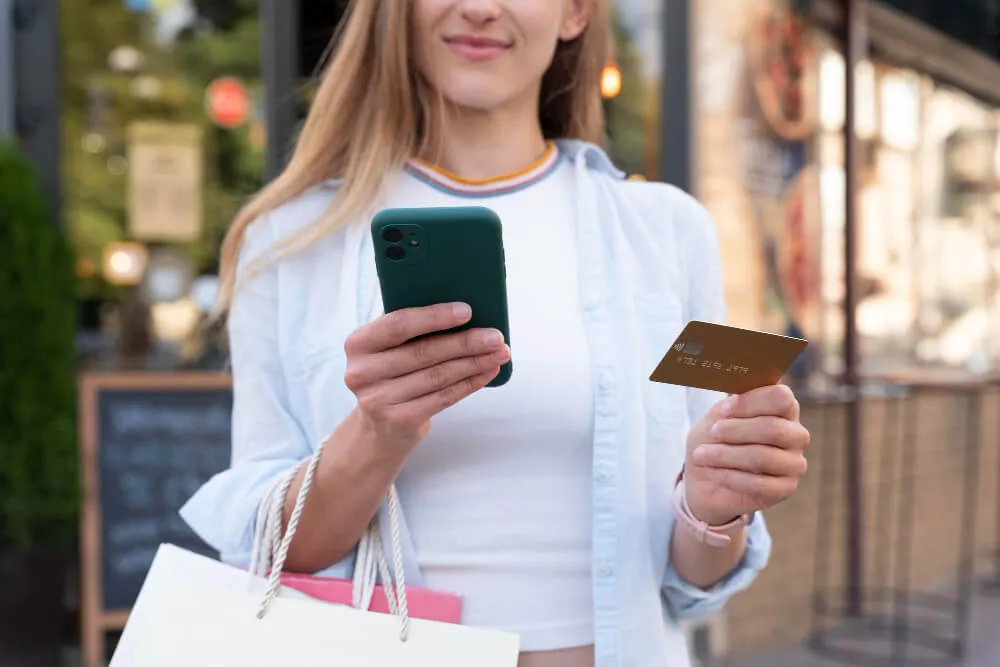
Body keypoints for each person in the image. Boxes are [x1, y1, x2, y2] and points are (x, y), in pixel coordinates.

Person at [180, 1, 811, 665]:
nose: (480, 8)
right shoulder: (291, 240)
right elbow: (271, 553)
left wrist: (715, 505)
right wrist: (377, 432)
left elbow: (693, 583)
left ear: (575, 13)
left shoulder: (665, 231)